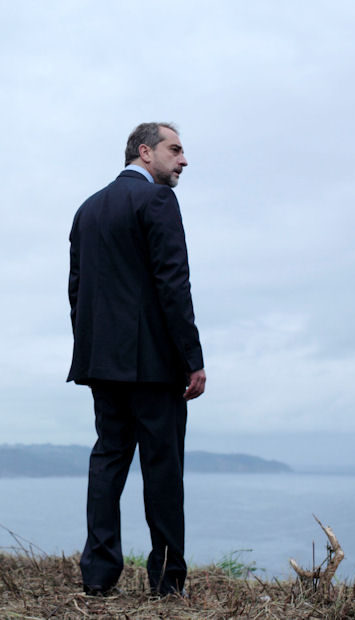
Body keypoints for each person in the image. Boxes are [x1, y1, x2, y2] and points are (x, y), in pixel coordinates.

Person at [67, 122, 206, 597]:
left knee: (108, 461)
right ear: (145, 152)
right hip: (153, 365)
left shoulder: (87, 209)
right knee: (162, 469)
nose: (183, 160)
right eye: (175, 149)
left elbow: (77, 290)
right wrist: (192, 358)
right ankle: (166, 582)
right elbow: (173, 283)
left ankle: (98, 576)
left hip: (102, 362)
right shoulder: (158, 200)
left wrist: (91, 350)